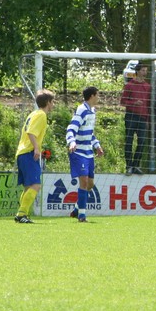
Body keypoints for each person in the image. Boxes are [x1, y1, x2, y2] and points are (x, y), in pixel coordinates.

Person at [14, 90, 55, 223]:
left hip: (22, 152)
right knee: (36, 185)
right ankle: (21, 214)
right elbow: (31, 132)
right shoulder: (41, 115)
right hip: (28, 152)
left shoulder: (33, 114)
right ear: (48, 102)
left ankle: (23, 214)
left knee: (28, 186)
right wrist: (36, 148)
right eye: (52, 101)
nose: (53, 104)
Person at [66, 86, 104, 222]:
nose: (99, 98)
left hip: (88, 152)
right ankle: (82, 215)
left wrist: (97, 145)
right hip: (78, 151)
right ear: (92, 96)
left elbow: (89, 132)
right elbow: (71, 128)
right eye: (98, 95)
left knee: (90, 184)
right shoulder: (82, 110)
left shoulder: (92, 111)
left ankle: (77, 209)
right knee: (84, 181)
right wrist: (71, 142)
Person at [120, 62, 151, 174]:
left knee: (141, 141)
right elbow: (123, 102)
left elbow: (149, 104)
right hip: (131, 116)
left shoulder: (148, 86)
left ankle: (136, 165)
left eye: (146, 70)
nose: (145, 72)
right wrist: (134, 103)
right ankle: (128, 166)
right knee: (129, 141)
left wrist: (148, 119)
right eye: (143, 70)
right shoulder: (129, 85)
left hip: (143, 117)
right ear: (137, 71)